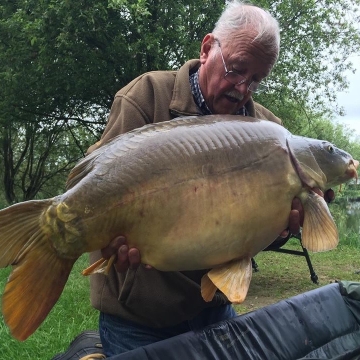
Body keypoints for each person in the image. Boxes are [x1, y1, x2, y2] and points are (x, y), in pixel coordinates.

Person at [52, 1, 333, 359]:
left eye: (256, 79)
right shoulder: (146, 96)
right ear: (206, 48)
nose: (243, 88)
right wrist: (101, 240)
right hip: (138, 316)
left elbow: (255, 233)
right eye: (237, 69)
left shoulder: (272, 133)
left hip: (214, 307)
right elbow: (92, 195)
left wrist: (282, 230)